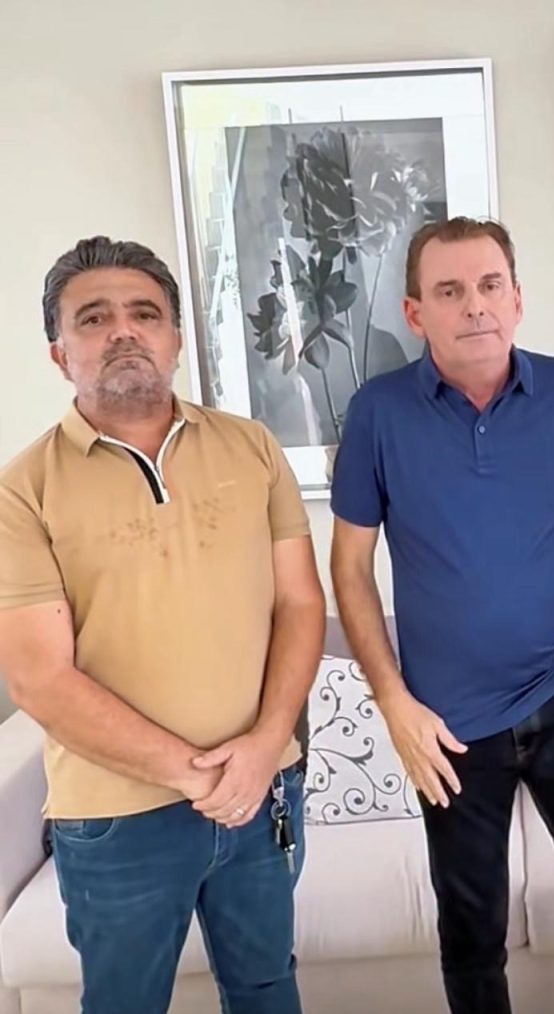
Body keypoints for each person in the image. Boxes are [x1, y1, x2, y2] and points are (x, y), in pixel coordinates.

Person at [330, 217, 554, 1014]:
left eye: (489, 286)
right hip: (447, 728)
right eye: (450, 291)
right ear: (416, 314)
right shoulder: (377, 413)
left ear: (517, 299)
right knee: (472, 943)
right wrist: (394, 703)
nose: (474, 305)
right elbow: (348, 568)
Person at [0, 237, 326, 1014]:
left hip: (263, 794)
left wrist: (262, 749)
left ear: (176, 338)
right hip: (116, 817)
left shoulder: (252, 448)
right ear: (59, 353)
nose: (123, 330)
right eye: (94, 318)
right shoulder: (22, 490)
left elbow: (300, 605)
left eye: (144, 314)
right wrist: (193, 774)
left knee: (268, 989)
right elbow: (40, 677)